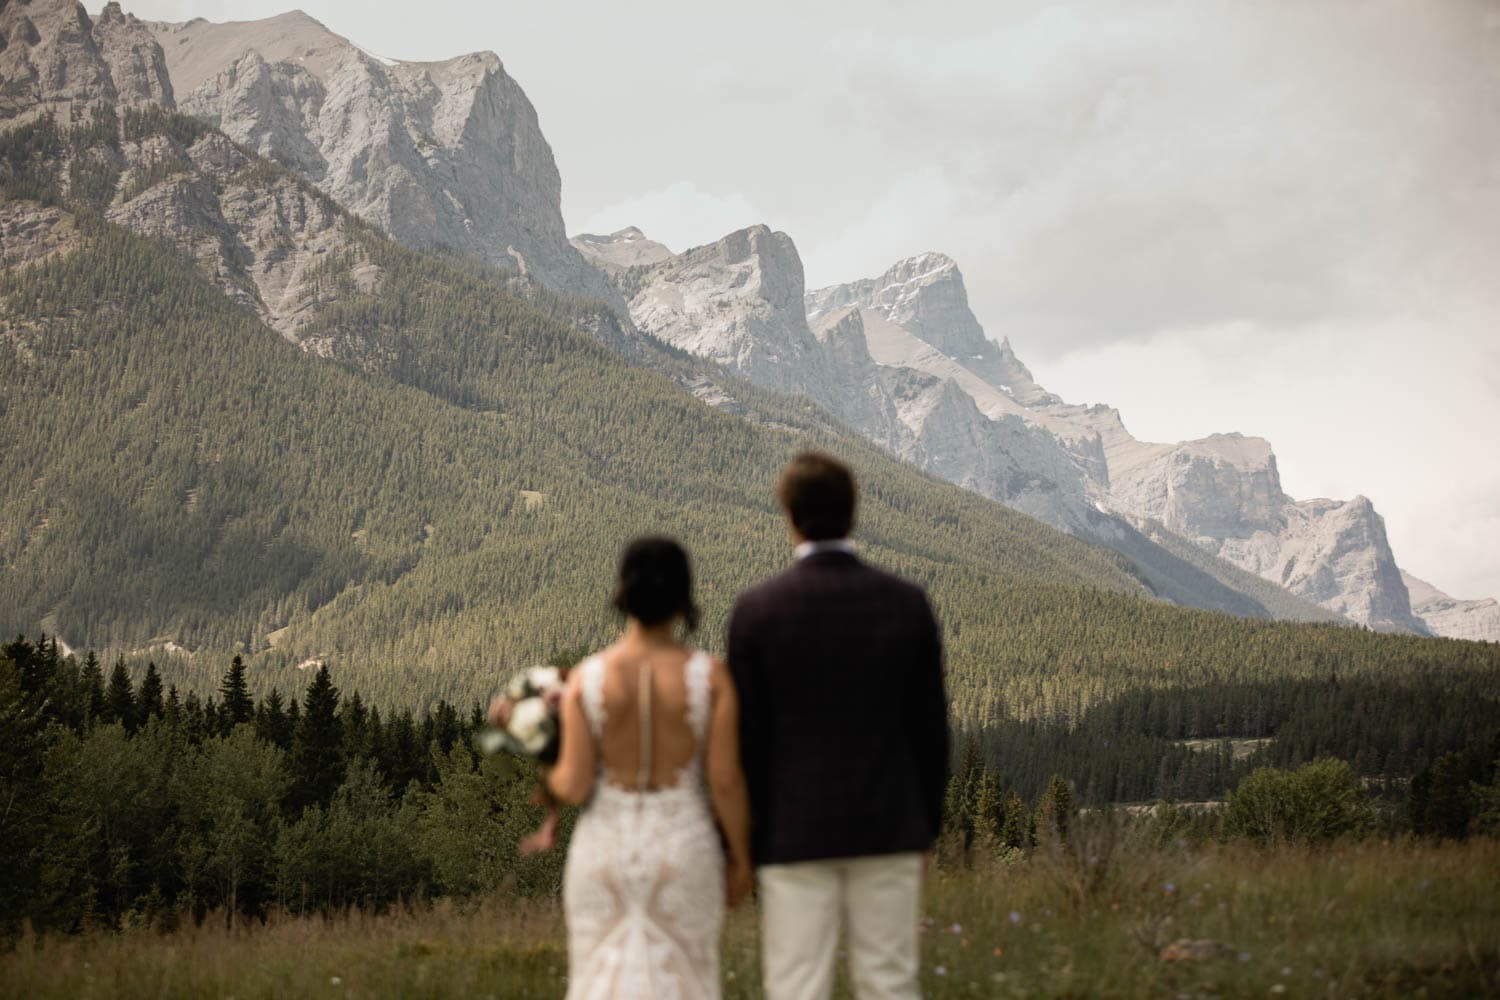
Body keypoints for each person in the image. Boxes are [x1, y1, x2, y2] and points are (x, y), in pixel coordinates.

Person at [728, 451, 949, 1000]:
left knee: (798, 985)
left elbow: (745, 741)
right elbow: (930, 730)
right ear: (853, 511)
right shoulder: (907, 604)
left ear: (789, 516)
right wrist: (927, 827)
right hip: (890, 825)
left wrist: (750, 836)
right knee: (891, 981)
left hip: (793, 830)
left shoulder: (757, 610)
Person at [545, 536, 753, 999]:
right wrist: (740, 857)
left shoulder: (587, 678)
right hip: (682, 845)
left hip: (605, 849)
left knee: (599, 978)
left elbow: (575, 786)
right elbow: (724, 780)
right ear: (684, 598)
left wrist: (546, 765)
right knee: (687, 977)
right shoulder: (710, 676)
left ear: (624, 594)